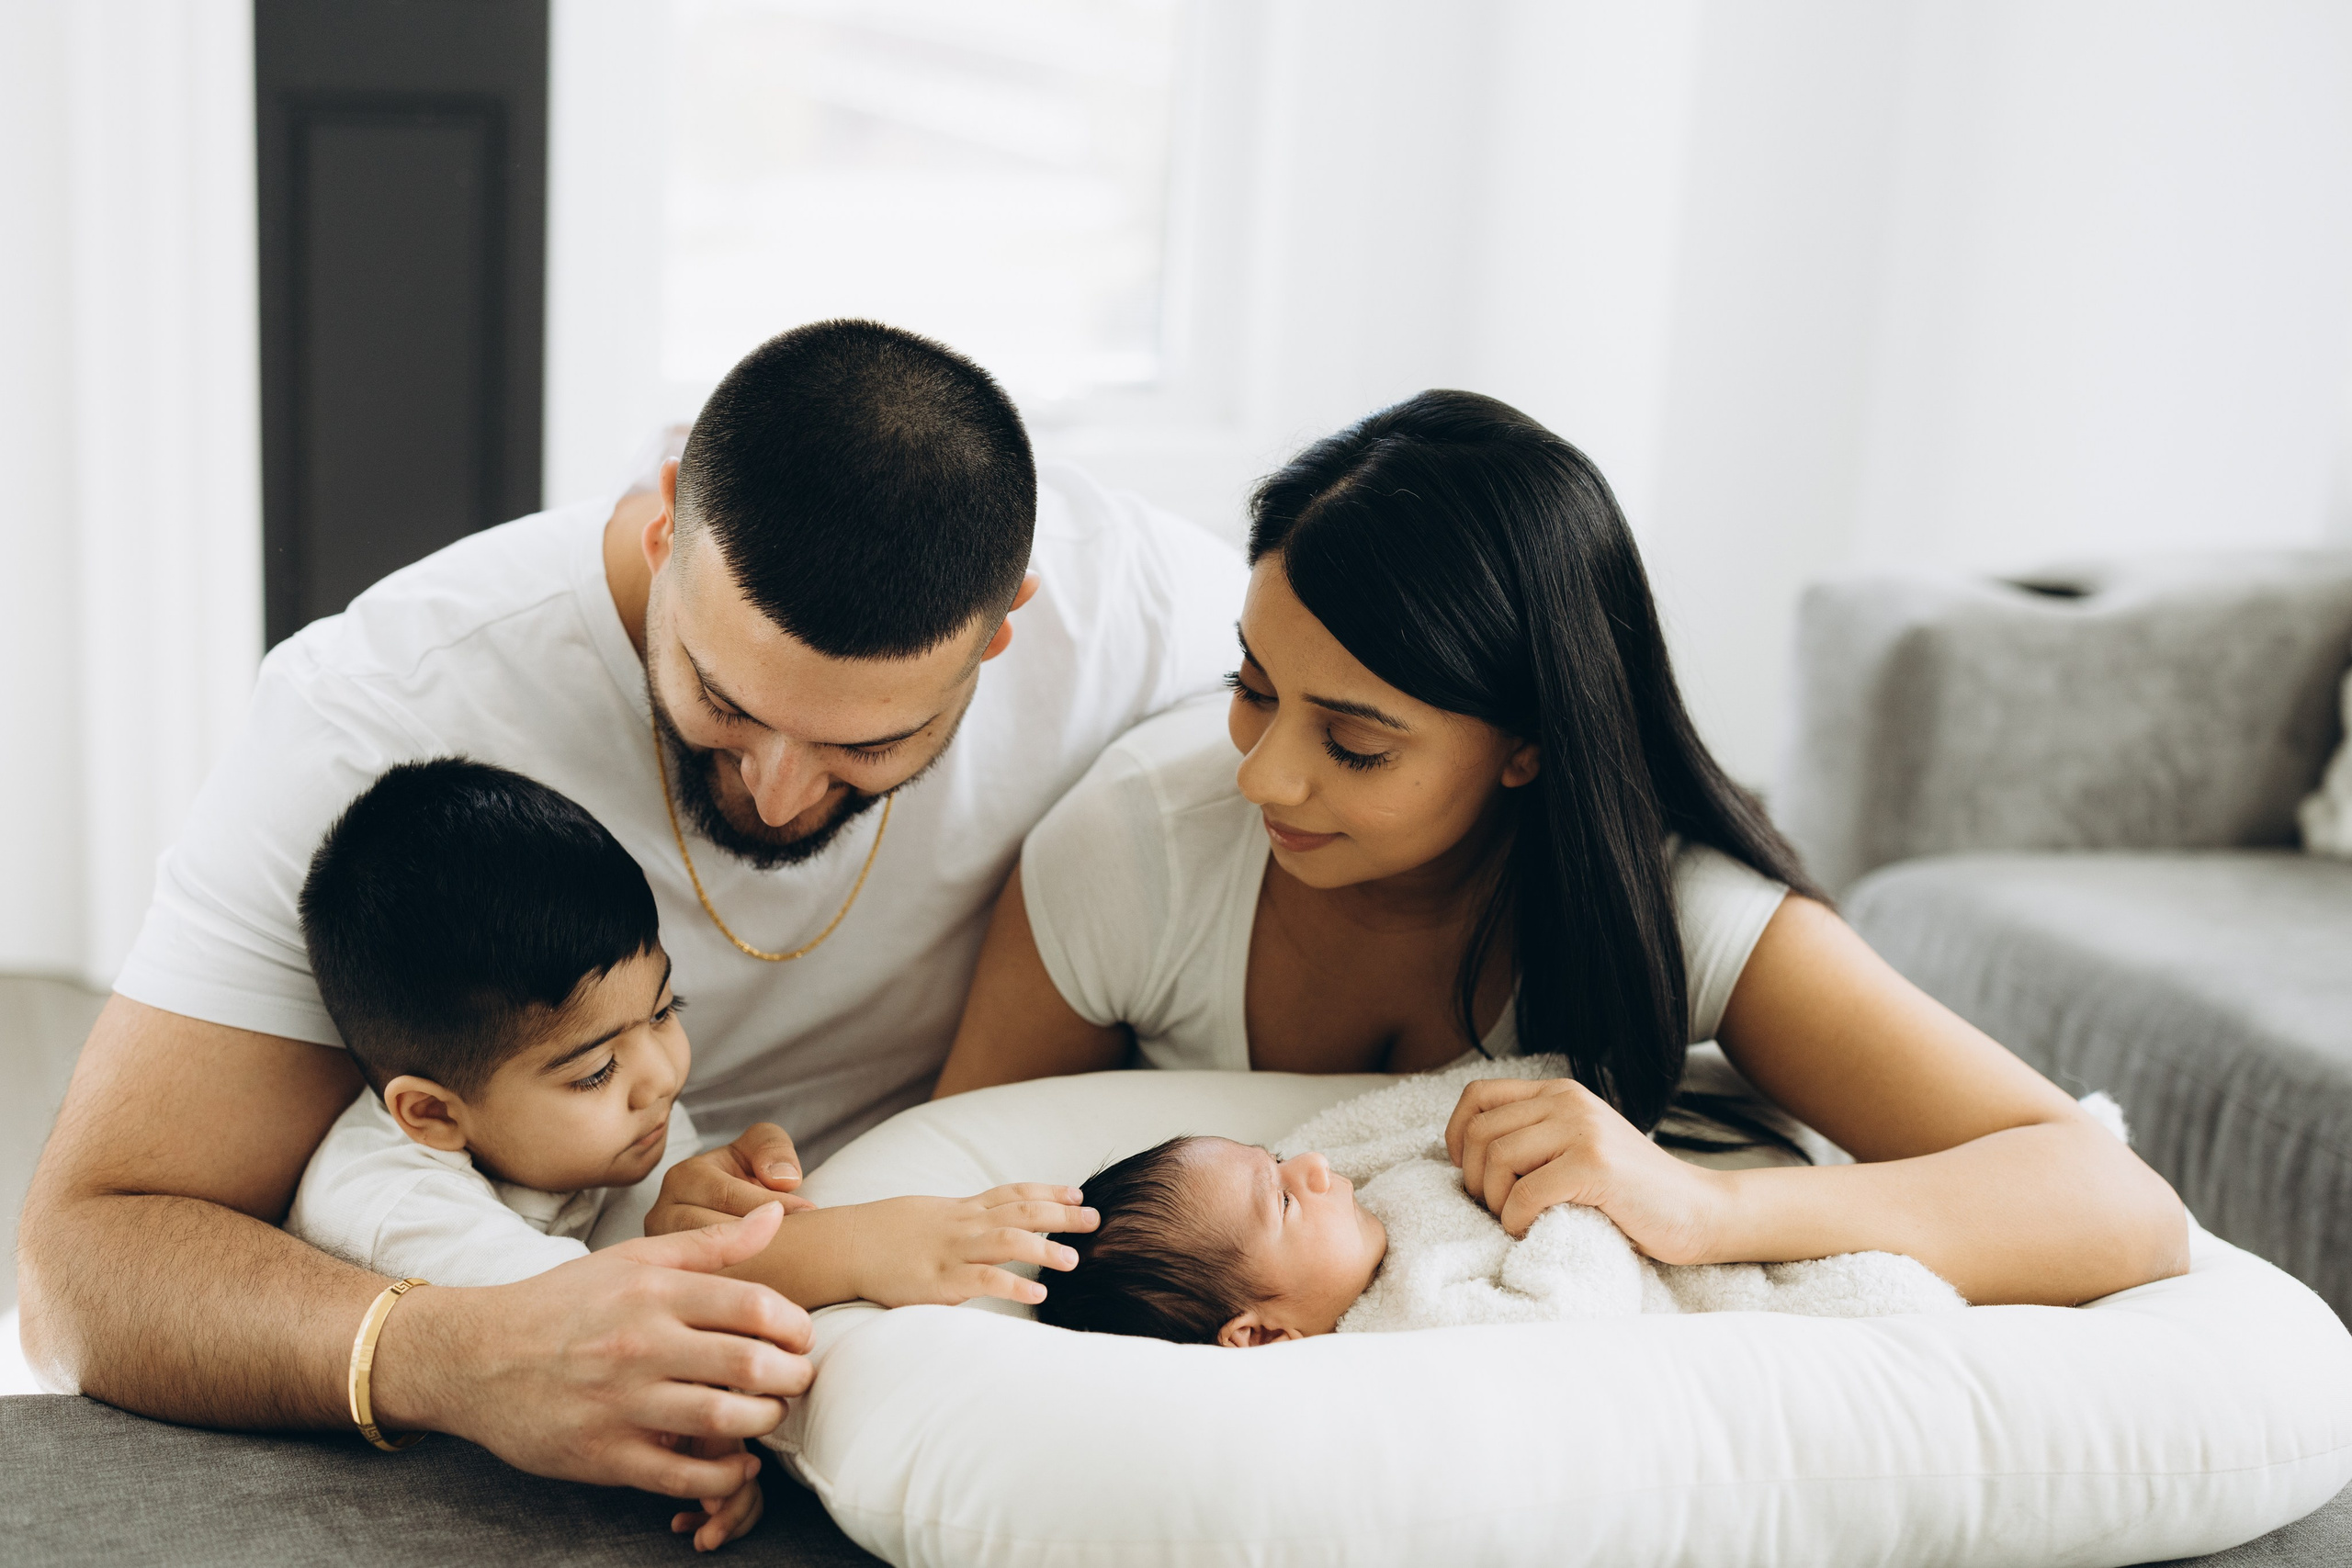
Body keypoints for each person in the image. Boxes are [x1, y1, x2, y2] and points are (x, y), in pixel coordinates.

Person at [19, 320, 1240, 1501]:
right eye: (723, 699)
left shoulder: (1143, 612)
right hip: (519, 1310)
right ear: (665, 526)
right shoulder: (378, 711)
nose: (778, 787)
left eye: (869, 742)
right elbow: (82, 1263)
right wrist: (454, 1353)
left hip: (864, 1294)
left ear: (1005, 626)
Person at [758, 387, 2180, 1310]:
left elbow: (2117, 1204)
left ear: (1527, 742)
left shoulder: (1674, 908)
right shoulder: (1138, 852)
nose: (1266, 769)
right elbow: (975, 1191)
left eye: (1355, 740)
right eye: (1252, 684)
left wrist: (1695, 1201)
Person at [286, 756, 1095, 1549]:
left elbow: (660, 1247)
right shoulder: (393, 1210)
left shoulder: (610, 1115)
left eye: (666, 1007)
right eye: (595, 1070)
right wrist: (870, 1243)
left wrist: (704, 1198)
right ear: (431, 1113)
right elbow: (589, 1322)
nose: (661, 1076)